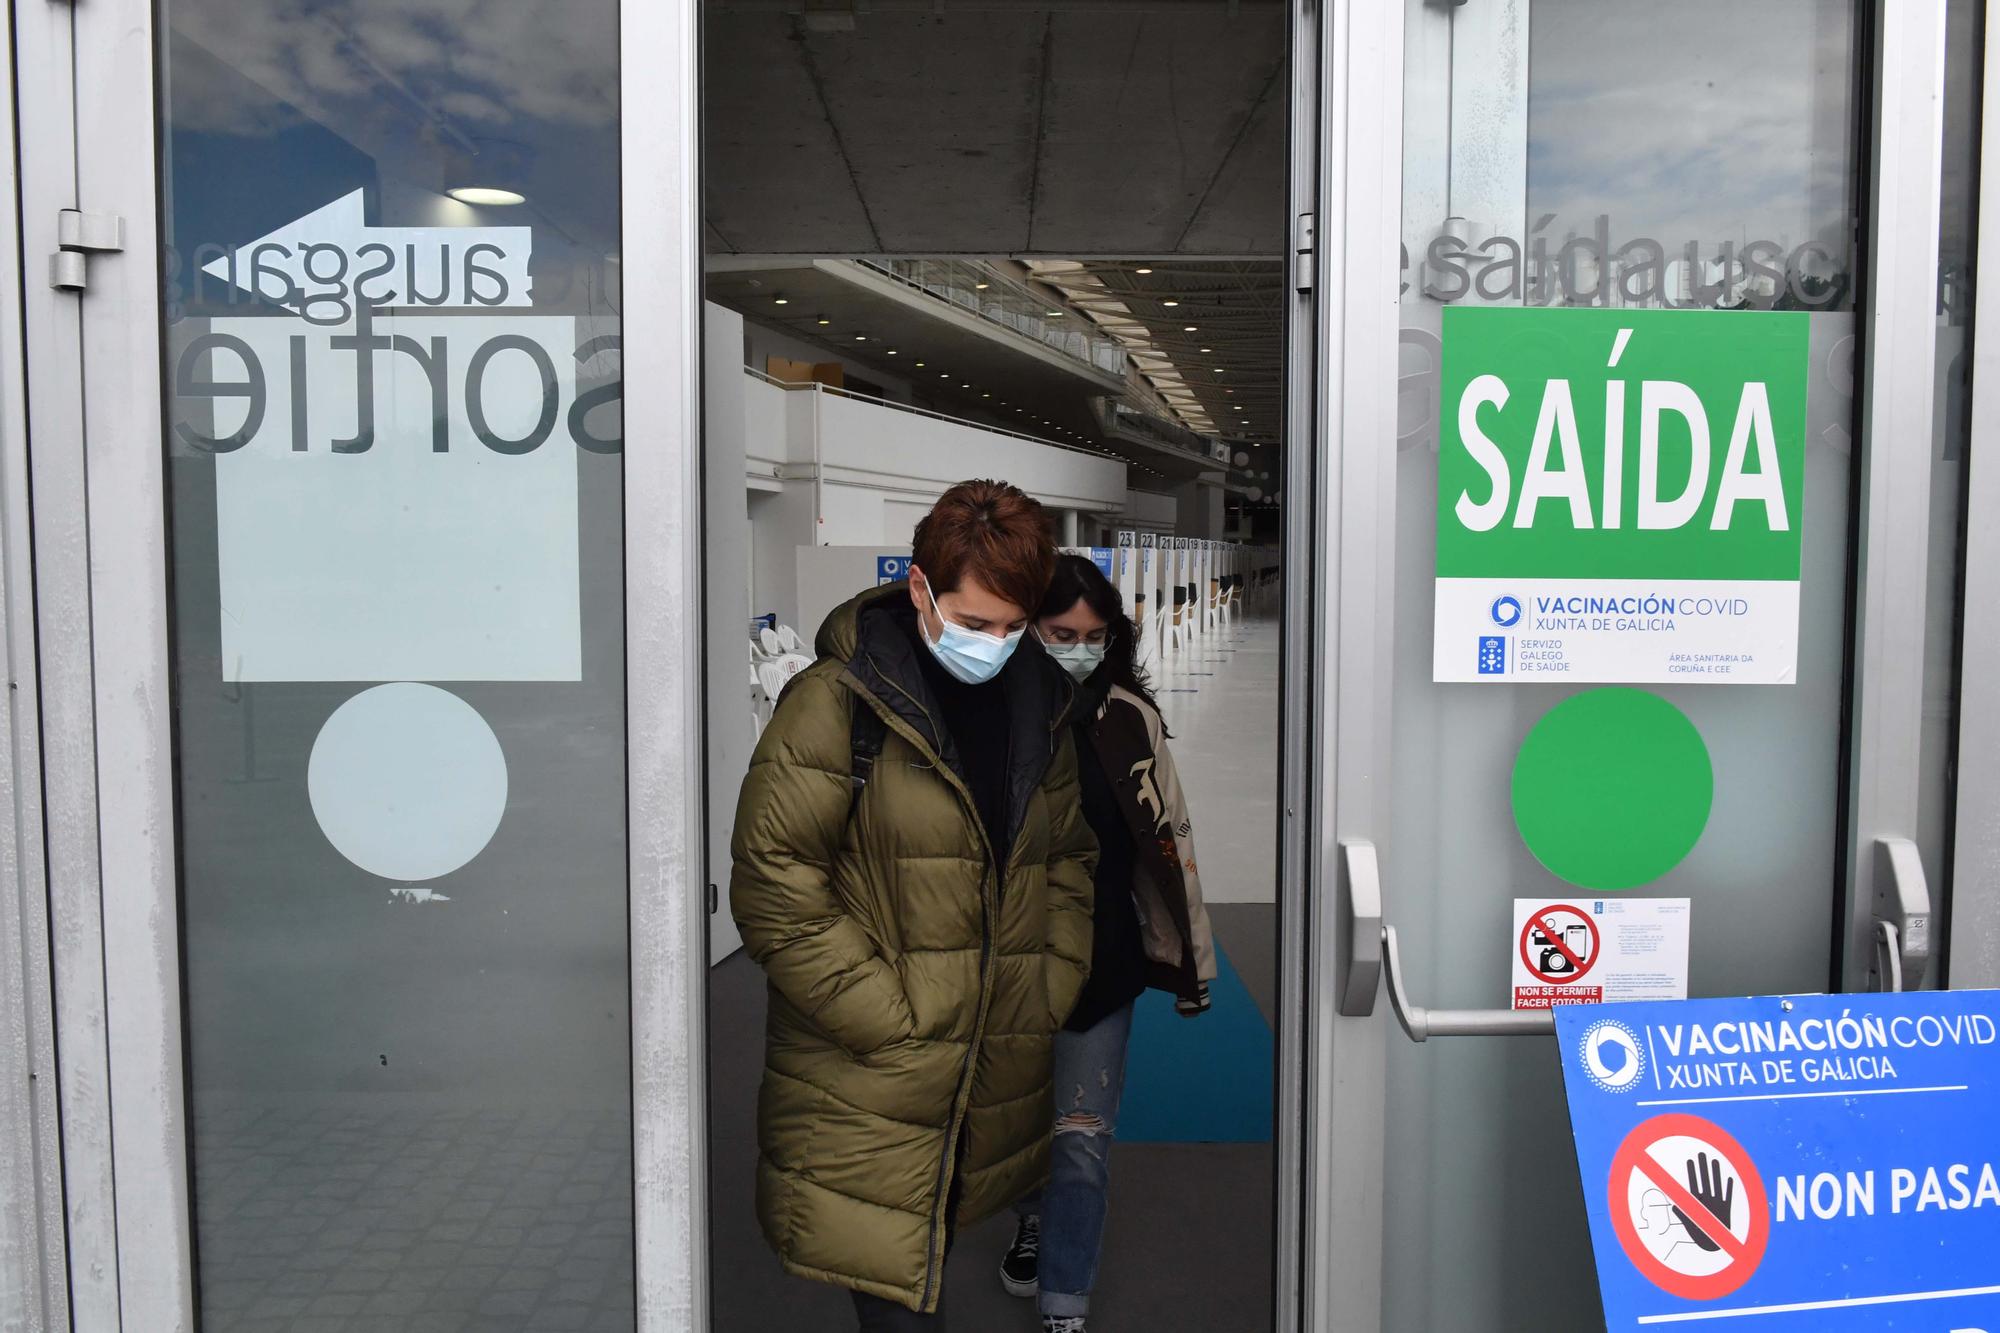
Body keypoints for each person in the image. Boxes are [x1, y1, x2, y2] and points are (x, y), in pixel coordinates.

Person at [729, 479, 1098, 1330]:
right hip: (873, 1060)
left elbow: (1072, 854)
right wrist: (886, 1014)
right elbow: (773, 876)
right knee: (893, 1282)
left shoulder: (1042, 702)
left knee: (928, 1237)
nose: (995, 644)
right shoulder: (836, 701)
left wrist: (1050, 980)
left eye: (1013, 625)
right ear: (921, 588)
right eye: (973, 623)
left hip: (995, 1045)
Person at [998, 553, 1219, 1333]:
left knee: (1083, 1136)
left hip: (1104, 958)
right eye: (1062, 633)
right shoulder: (994, 711)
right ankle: (1032, 1215)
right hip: (1008, 963)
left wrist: (1190, 955)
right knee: (1015, 1126)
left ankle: (1065, 1304)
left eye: (1095, 635)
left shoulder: (1129, 716)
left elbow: (1169, 841)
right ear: (1028, 628)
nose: (1079, 648)